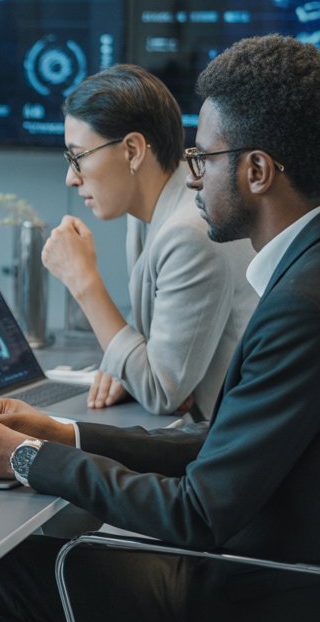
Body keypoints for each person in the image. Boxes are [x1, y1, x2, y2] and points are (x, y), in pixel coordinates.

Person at [0, 35, 320, 622]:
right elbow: (226, 446)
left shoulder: (304, 306)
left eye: (204, 159)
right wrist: (59, 432)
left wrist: (21, 456)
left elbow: (198, 512)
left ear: (255, 171)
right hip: (307, 572)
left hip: (271, 594)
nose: (193, 178)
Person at [43, 64, 256, 416]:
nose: (71, 178)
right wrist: (128, 365)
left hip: (214, 443)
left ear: (132, 150)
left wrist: (83, 282)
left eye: (77, 157)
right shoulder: (153, 210)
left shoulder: (189, 231)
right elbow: (154, 361)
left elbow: (161, 392)